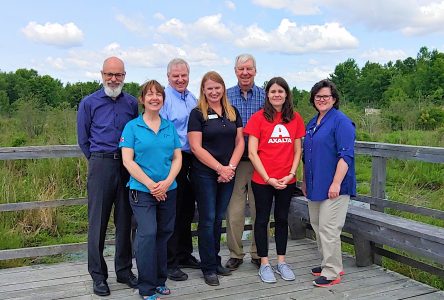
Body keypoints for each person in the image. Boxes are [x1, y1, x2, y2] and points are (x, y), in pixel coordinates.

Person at [77, 56, 138, 296]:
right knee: (98, 223)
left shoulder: (132, 103)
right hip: (101, 164)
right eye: (109, 74)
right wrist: (96, 161)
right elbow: (83, 139)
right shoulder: (89, 102)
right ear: (102, 74)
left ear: (124, 76)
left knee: (125, 221)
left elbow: (135, 132)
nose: (114, 79)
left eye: (118, 75)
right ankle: (98, 276)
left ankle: (123, 271)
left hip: (126, 165)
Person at [120, 80, 182, 300]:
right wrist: (150, 185)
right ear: (142, 99)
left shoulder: (169, 127)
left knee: (164, 234)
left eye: (159, 94)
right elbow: (128, 161)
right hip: (141, 190)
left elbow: (177, 157)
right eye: (150, 94)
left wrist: (166, 182)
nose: (155, 98)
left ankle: (159, 280)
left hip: (168, 189)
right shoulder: (132, 127)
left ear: (163, 100)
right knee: (148, 234)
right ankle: (146, 287)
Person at [244, 77, 305, 284]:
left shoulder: (294, 118)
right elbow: (252, 153)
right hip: (263, 180)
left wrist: (291, 173)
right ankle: (264, 263)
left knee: (281, 220)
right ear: (267, 95)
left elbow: (298, 149)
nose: (277, 95)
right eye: (273, 91)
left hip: (286, 180)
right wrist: (268, 178)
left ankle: (281, 261)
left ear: (286, 94)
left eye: (280, 91)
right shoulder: (258, 118)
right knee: (261, 220)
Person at [188, 71, 244, 286]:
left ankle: (216, 260)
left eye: (217, 87)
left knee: (219, 218)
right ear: (203, 90)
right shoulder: (197, 113)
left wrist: (230, 167)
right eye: (209, 88)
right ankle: (208, 267)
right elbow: (195, 146)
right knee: (207, 219)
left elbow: (240, 142)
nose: (213, 91)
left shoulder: (232, 111)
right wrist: (220, 168)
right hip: (204, 174)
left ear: (223, 88)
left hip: (228, 172)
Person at [302, 79, 356, 287]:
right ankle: (328, 262)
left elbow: (346, 156)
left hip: (335, 186)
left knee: (329, 227)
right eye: (318, 96)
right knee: (317, 224)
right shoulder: (312, 122)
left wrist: (335, 183)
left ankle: (332, 272)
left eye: (326, 96)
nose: (322, 100)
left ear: (334, 99)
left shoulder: (341, 122)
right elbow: (307, 156)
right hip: (315, 184)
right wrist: (305, 181)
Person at [160, 58, 200, 282]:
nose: (180, 79)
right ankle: (170, 261)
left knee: (186, 210)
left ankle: (185, 254)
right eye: (175, 76)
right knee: (172, 212)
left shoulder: (192, 98)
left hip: (191, 158)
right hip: (173, 158)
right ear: (168, 77)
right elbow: (164, 131)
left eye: (183, 75)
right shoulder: (165, 99)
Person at [225, 54, 265, 271]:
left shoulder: (266, 95)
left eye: (249, 69)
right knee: (235, 210)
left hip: (260, 160)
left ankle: (259, 253)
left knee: (261, 209)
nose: (245, 73)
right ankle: (235, 253)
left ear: (255, 71)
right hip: (236, 161)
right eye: (241, 69)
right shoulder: (227, 96)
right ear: (235, 71)